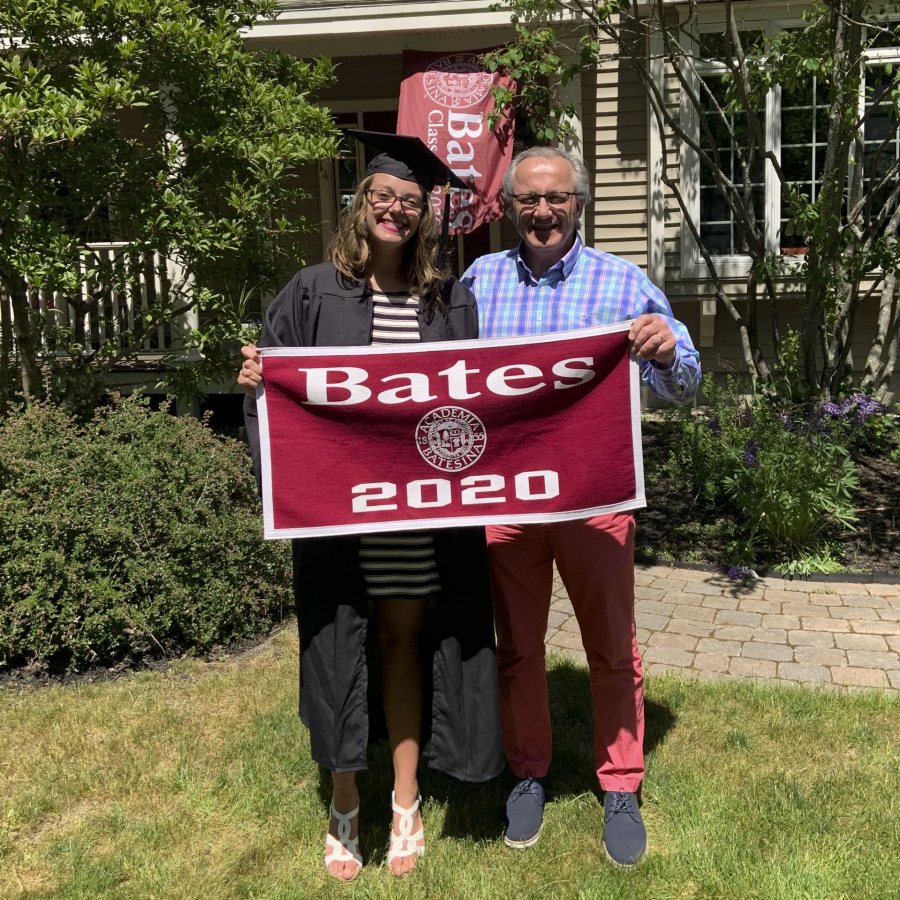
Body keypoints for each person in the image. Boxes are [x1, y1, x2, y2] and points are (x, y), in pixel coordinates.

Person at [238, 131, 503, 882]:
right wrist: (261, 380)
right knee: (337, 650)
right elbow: (276, 391)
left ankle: (408, 799)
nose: (395, 209)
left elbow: (476, 400)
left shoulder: (451, 301)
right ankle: (346, 804)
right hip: (339, 514)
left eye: (410, 202)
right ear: (360, 207)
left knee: (401, 643)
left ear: (425, 217)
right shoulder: (313, 291)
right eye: (382, 197)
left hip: (418, 512)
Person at [460, 145, 701, 867]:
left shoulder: (624, 283)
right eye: (529, 200)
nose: (543, 212)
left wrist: (663, 352)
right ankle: (528, 771)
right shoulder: (478, 281)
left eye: (556, 198)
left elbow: (684, 384)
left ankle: (620, 782)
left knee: (610, 648)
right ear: (508, 208)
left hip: (594, 498)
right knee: (519, 648)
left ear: (579, 204)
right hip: (506, 500)